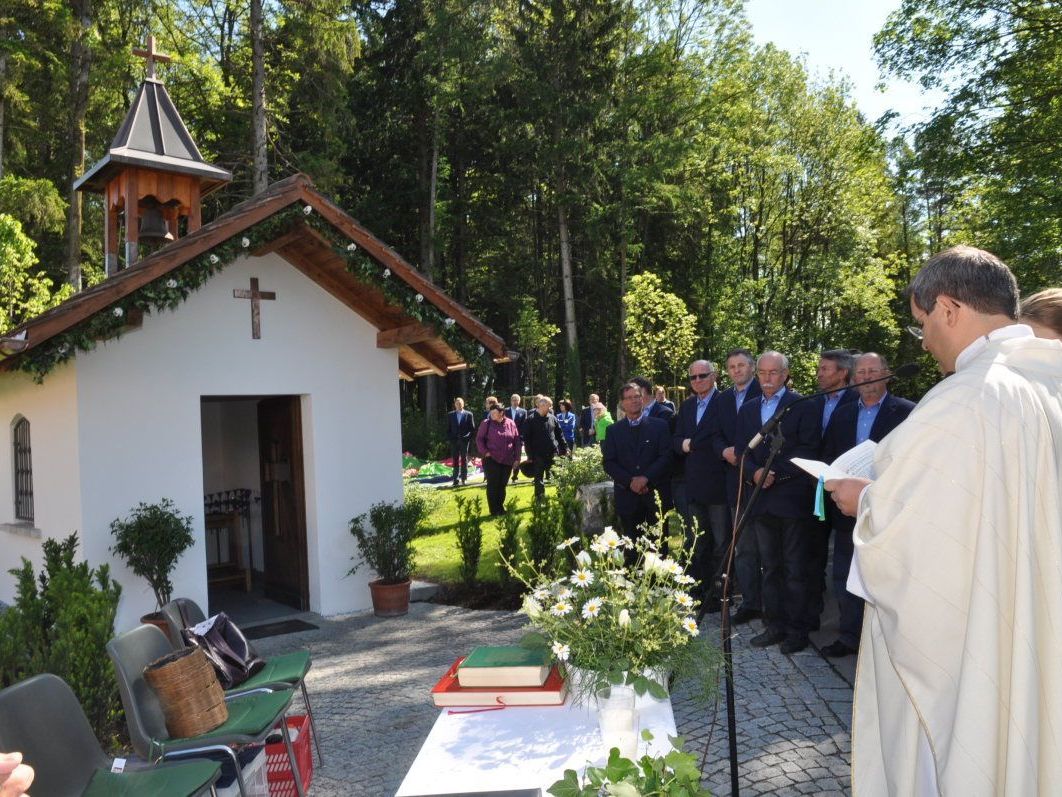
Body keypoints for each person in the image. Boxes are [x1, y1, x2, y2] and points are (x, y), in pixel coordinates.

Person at [826, 246, 1062, 795]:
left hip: (973, 642)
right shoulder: (1047, 383)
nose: (926, 339)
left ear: (950, 308)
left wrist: (866, 504)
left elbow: (919, 538)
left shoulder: (965, 400)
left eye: (923, 322)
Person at [817, 353, 914, 658]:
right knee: (845, 572)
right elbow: (829, 452)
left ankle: (884, 642)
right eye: (861, 373)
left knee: (884, 576)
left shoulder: (907, 412)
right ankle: (849, 636)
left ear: (887, 375)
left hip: (888, 510)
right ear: (854, 378)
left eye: (873, 371)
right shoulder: (843, 414)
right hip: (848, 510)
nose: (867, 378)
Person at [734, 351, 820, 654]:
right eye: (763, 373)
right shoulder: (748, 409)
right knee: (769, 567)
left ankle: (797, 630)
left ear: (785, 374)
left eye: (774, 373)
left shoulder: (801, 405)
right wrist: (756, 472)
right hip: (760, 498)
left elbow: (810, 449)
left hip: (792, 496)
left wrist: (775, 473)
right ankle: (775, 625)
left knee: (795, 568)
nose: (768, 379)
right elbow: (743, 451)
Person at [806, 349, 859, 631]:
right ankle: (812, 614)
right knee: (812, 556)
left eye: (826, 369)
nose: (819, 373)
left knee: (844, 560)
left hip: (845, 490)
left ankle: (847, 626)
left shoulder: (856, 401)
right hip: (814, 489)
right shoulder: (814, 402)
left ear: (842, 373)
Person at [711, 347, 762, 623]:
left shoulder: (764, 392)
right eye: (732, 367)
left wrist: (748, 458)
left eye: (741, 365)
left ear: (752, 367)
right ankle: (751, 602)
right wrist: (724, 451)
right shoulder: (723, 399)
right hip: (735, 480)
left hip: (764, 479)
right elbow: (715, 434)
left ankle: (772, 604)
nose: (737, 371)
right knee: (742, 546)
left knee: (769, 548)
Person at [674, 359, 728, 607]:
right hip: (693, 484)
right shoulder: (686, 407)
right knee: (698, 542)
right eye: (693, 377)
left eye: (702, 376)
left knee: (721, 543)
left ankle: (720, 594)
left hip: (718, 484)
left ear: (714, 376)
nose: (697, 381)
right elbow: (675, 440)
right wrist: (687, 445)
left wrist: (693, 442)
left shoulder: (725, 402)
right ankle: (700, 589)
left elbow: (717, 435)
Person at [602, 382, 672, 540]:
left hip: (655, 495)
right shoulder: (613, 431)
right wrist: (630, 482)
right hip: (628, 497)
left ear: (643, 399)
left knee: (659, 548)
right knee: (631, 549)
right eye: (628, 398)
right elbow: (609, 462)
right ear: (622, 403)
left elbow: (666, 457)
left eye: (636, 396)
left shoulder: (660, 426)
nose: (633, 400)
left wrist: (646, 478)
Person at [476, 403, 523, 516]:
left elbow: (517, 441)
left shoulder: (511, 423)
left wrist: (517, 458)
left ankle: (500, 508)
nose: (491, 415)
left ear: (501, 413)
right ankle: (494, 510)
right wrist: (485, 452)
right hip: (491, 459)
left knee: (502, 485)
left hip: (507, 460)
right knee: (493, 484)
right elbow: (479, 439)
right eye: (490, 413)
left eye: (494, 413)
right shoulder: (486, 424)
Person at [523, 396, 569, 499]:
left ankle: (562, 497)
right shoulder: (530, 420)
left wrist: (565, 448)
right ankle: (540, 500)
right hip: (537, 454)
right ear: (541, 405)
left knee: (558, 476)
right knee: (539, 479)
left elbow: (559, 434)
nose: (551, 408)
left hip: (553, 452)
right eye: (549, 406)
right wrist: (530, 456)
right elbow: (526, 440)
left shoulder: (552, 418)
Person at [446, 397, 475, 487]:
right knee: (455, 460)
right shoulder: (450, 415)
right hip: (454, 441)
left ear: (463, 404)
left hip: (464, 441)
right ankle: (455, 479)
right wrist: (451, 438)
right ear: (455, 405)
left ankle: (464, 479)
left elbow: (472, 429)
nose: (458, 405)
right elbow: (448, 429)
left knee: (464, 460)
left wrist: (467, 438)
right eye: (457, 403)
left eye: (460, 403)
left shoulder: (469, 414)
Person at [504, 394, 528, 482]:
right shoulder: (505, 411)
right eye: (513, 400)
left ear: (519, 401)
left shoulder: (523, 412)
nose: (515, 402)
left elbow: (524, 425)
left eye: (516, 400)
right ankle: (506, 475)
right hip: (507, 438)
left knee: (517, 457)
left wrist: (522, 437)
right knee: (508, 456)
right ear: (511, 401)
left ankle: (515, 476)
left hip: (518, 438)